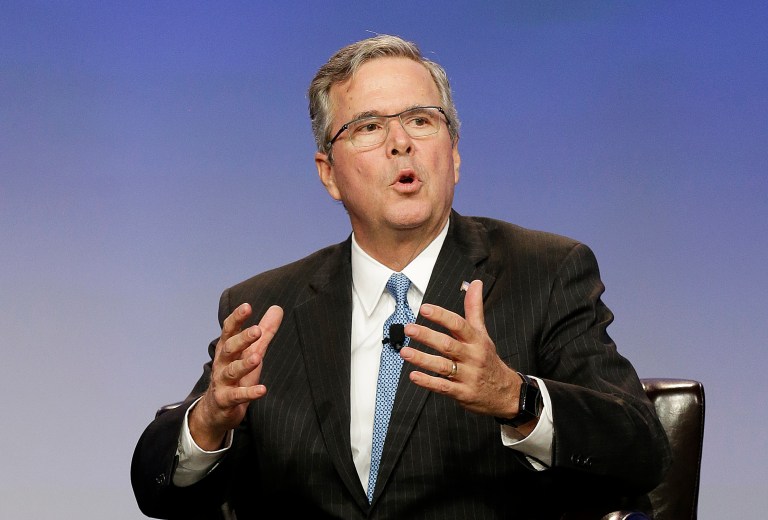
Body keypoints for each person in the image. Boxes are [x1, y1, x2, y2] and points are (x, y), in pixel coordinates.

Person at [131, 34, 671, 519]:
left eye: (420, 120)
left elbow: (641, 448)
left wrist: (516, 397)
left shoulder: (546, 272)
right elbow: (159, 493)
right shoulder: (265, 306)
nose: (400, 143)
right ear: (329, 175)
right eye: (368, 127)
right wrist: (208, 421)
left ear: (453, 155)